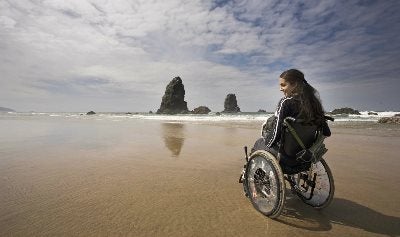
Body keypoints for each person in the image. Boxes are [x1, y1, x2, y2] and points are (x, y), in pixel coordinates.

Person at [251, 69, 330, 157]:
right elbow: (327, 132)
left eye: (283, 85)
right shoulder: (314, 103)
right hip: (305, 155)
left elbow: (275, 135)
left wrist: (266, 143)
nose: (280, 89)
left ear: (294, 84)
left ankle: (248, 168)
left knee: (259, 142)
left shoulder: (286, 102)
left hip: (287, 155)